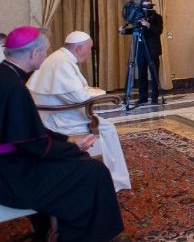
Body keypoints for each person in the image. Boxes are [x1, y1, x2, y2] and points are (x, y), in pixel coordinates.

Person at [0, 27, 124, 241]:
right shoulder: (14, 88)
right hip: (12, 175)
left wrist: (67, 140)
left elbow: (28, 131)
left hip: (11, 161)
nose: (47, 56)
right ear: (33, 54)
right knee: (94, 172)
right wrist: (73, 147)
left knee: (80, 162)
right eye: (45, 51)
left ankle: (50, 228)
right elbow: (33, 144)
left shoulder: (6, 76)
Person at [27, 31, 131, 192]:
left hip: (54, 112)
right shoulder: (62, 63)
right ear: (79, 48)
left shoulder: (60, 58)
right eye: (89, 49)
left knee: (105, 125)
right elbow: (79, 97)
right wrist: (99, 92)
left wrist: (92, 91)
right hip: (58, 118)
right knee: (107, 128)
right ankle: (114, 180)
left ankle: (111, 176)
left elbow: (73, 92)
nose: (90, 53)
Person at [119, 0, 164, 106]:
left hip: (153, 49)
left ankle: (154, 97)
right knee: (141, 73)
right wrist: (124, 31)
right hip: (141, 49)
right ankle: (142, 97)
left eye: (149, 5)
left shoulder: (157, 17)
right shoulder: (139, 16)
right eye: (145, 6)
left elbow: (159, 30)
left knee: (154, 74)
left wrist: (148, 25)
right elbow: (135, 29)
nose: (147, 8)